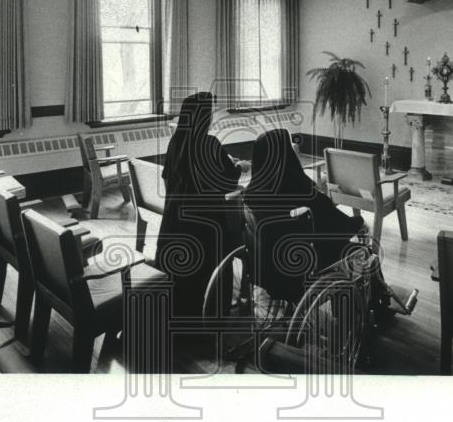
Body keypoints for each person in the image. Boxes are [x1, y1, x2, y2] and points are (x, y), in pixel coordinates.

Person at [243, 128, 364, 303]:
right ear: (287, 155)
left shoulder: (250, 195)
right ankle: (376, 303)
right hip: (301, 272)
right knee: (356, 250)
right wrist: (358, 223)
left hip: (266, 271)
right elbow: (337, 223)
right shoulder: (304, 194)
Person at [155, 92, 242, 317]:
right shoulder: (210, 143)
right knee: (233, 236)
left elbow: (167, 178)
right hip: (205, 225)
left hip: (174, 221)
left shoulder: (176, 142)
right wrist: (238, 166)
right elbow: (230, 180)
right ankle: (216, 307)